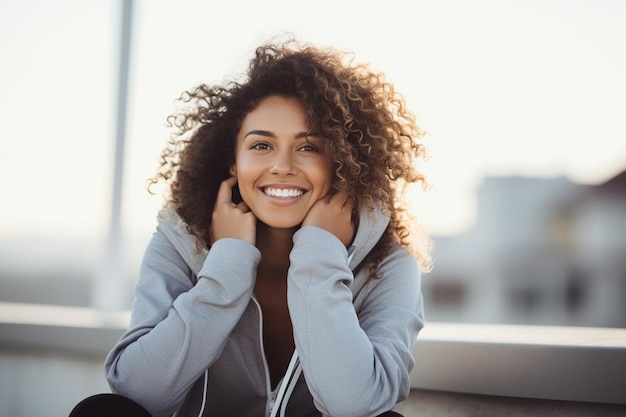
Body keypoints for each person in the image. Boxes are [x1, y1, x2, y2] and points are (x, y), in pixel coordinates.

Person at [70, 38, 432, 417]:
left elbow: (357, 404)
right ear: (233, 162)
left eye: (308, 147)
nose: (282, 165)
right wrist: (227, 266)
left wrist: (320, 256)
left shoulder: (387, 262)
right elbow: (137, 392)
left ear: (343, 160)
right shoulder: (181, 241)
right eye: (261, 145)